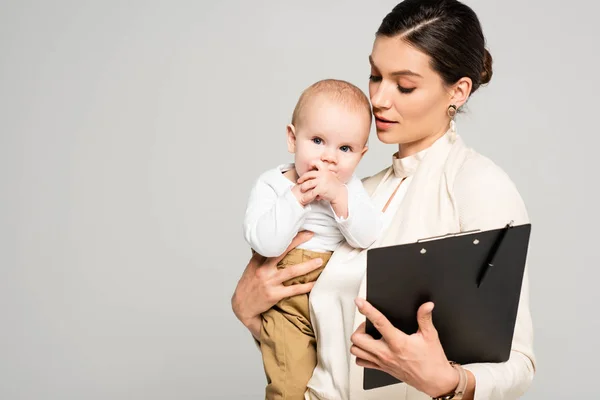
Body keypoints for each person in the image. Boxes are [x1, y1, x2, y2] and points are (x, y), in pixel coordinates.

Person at [232, 0, 536, 399]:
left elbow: (518, 362)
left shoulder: (478, 186)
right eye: (375, 76)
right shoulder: (354, 193)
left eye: (404, 85)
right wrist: (248, 310)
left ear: (458, 91)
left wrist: (450, 382)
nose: (378, 99)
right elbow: (318, 342)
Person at [243, 79, 384, 399]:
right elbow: (264, 244)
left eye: (345, 149)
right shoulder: (273, 185)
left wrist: (338, 196)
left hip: (337, 297)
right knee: (290, 379)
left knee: (338, 376)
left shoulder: (350, 189)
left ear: (360, 156)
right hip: (288, 302)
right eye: (318, 140)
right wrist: (296, 199)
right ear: (293, 139)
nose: (330, 157)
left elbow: (368, 235)